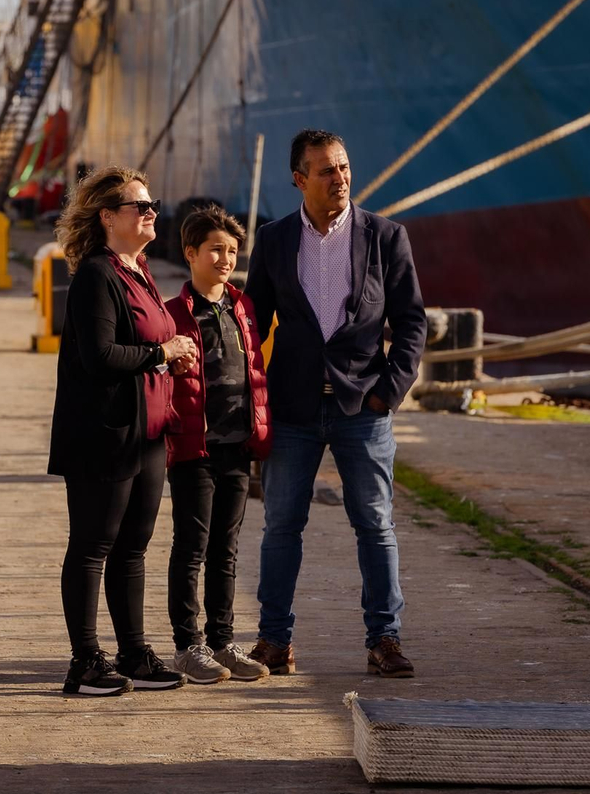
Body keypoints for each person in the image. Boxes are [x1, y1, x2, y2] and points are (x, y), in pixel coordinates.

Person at [243, 129, 427, 678]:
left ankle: (384, 640)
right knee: (280, 526)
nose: (339, 178)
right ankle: (274, 641)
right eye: (325, 170)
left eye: (344, 167)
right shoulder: (274, 240)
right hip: (292, 408)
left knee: (375, 524)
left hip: (362, 410)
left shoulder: (385, 236)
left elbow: (411, 323)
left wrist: (388, 391)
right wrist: (250, 394)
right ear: (299, 179)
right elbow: (252, 322)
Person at [48, 166, 194, 697]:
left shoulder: (139, 268)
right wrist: (163, 352)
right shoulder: (96, 275)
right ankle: (85, 661)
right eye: (141, 206)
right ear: (108, 217)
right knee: (92, 546)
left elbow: (143, 346)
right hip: (103, 433)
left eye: (153, 204)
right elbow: (100, 355)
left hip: (149, 430)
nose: (152, 211)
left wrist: (166, 360)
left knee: (134, 548)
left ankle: (133, 652)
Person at [162, 205, 271, 684]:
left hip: (237, 446)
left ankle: (223, 642)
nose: (225, 259)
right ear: (191, 253)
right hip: (194, 449)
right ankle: (188, 647)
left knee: (226, 550)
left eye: (232, 251)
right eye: (215, 250)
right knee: (191, 548)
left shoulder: (243, 308)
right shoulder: (173, 314)